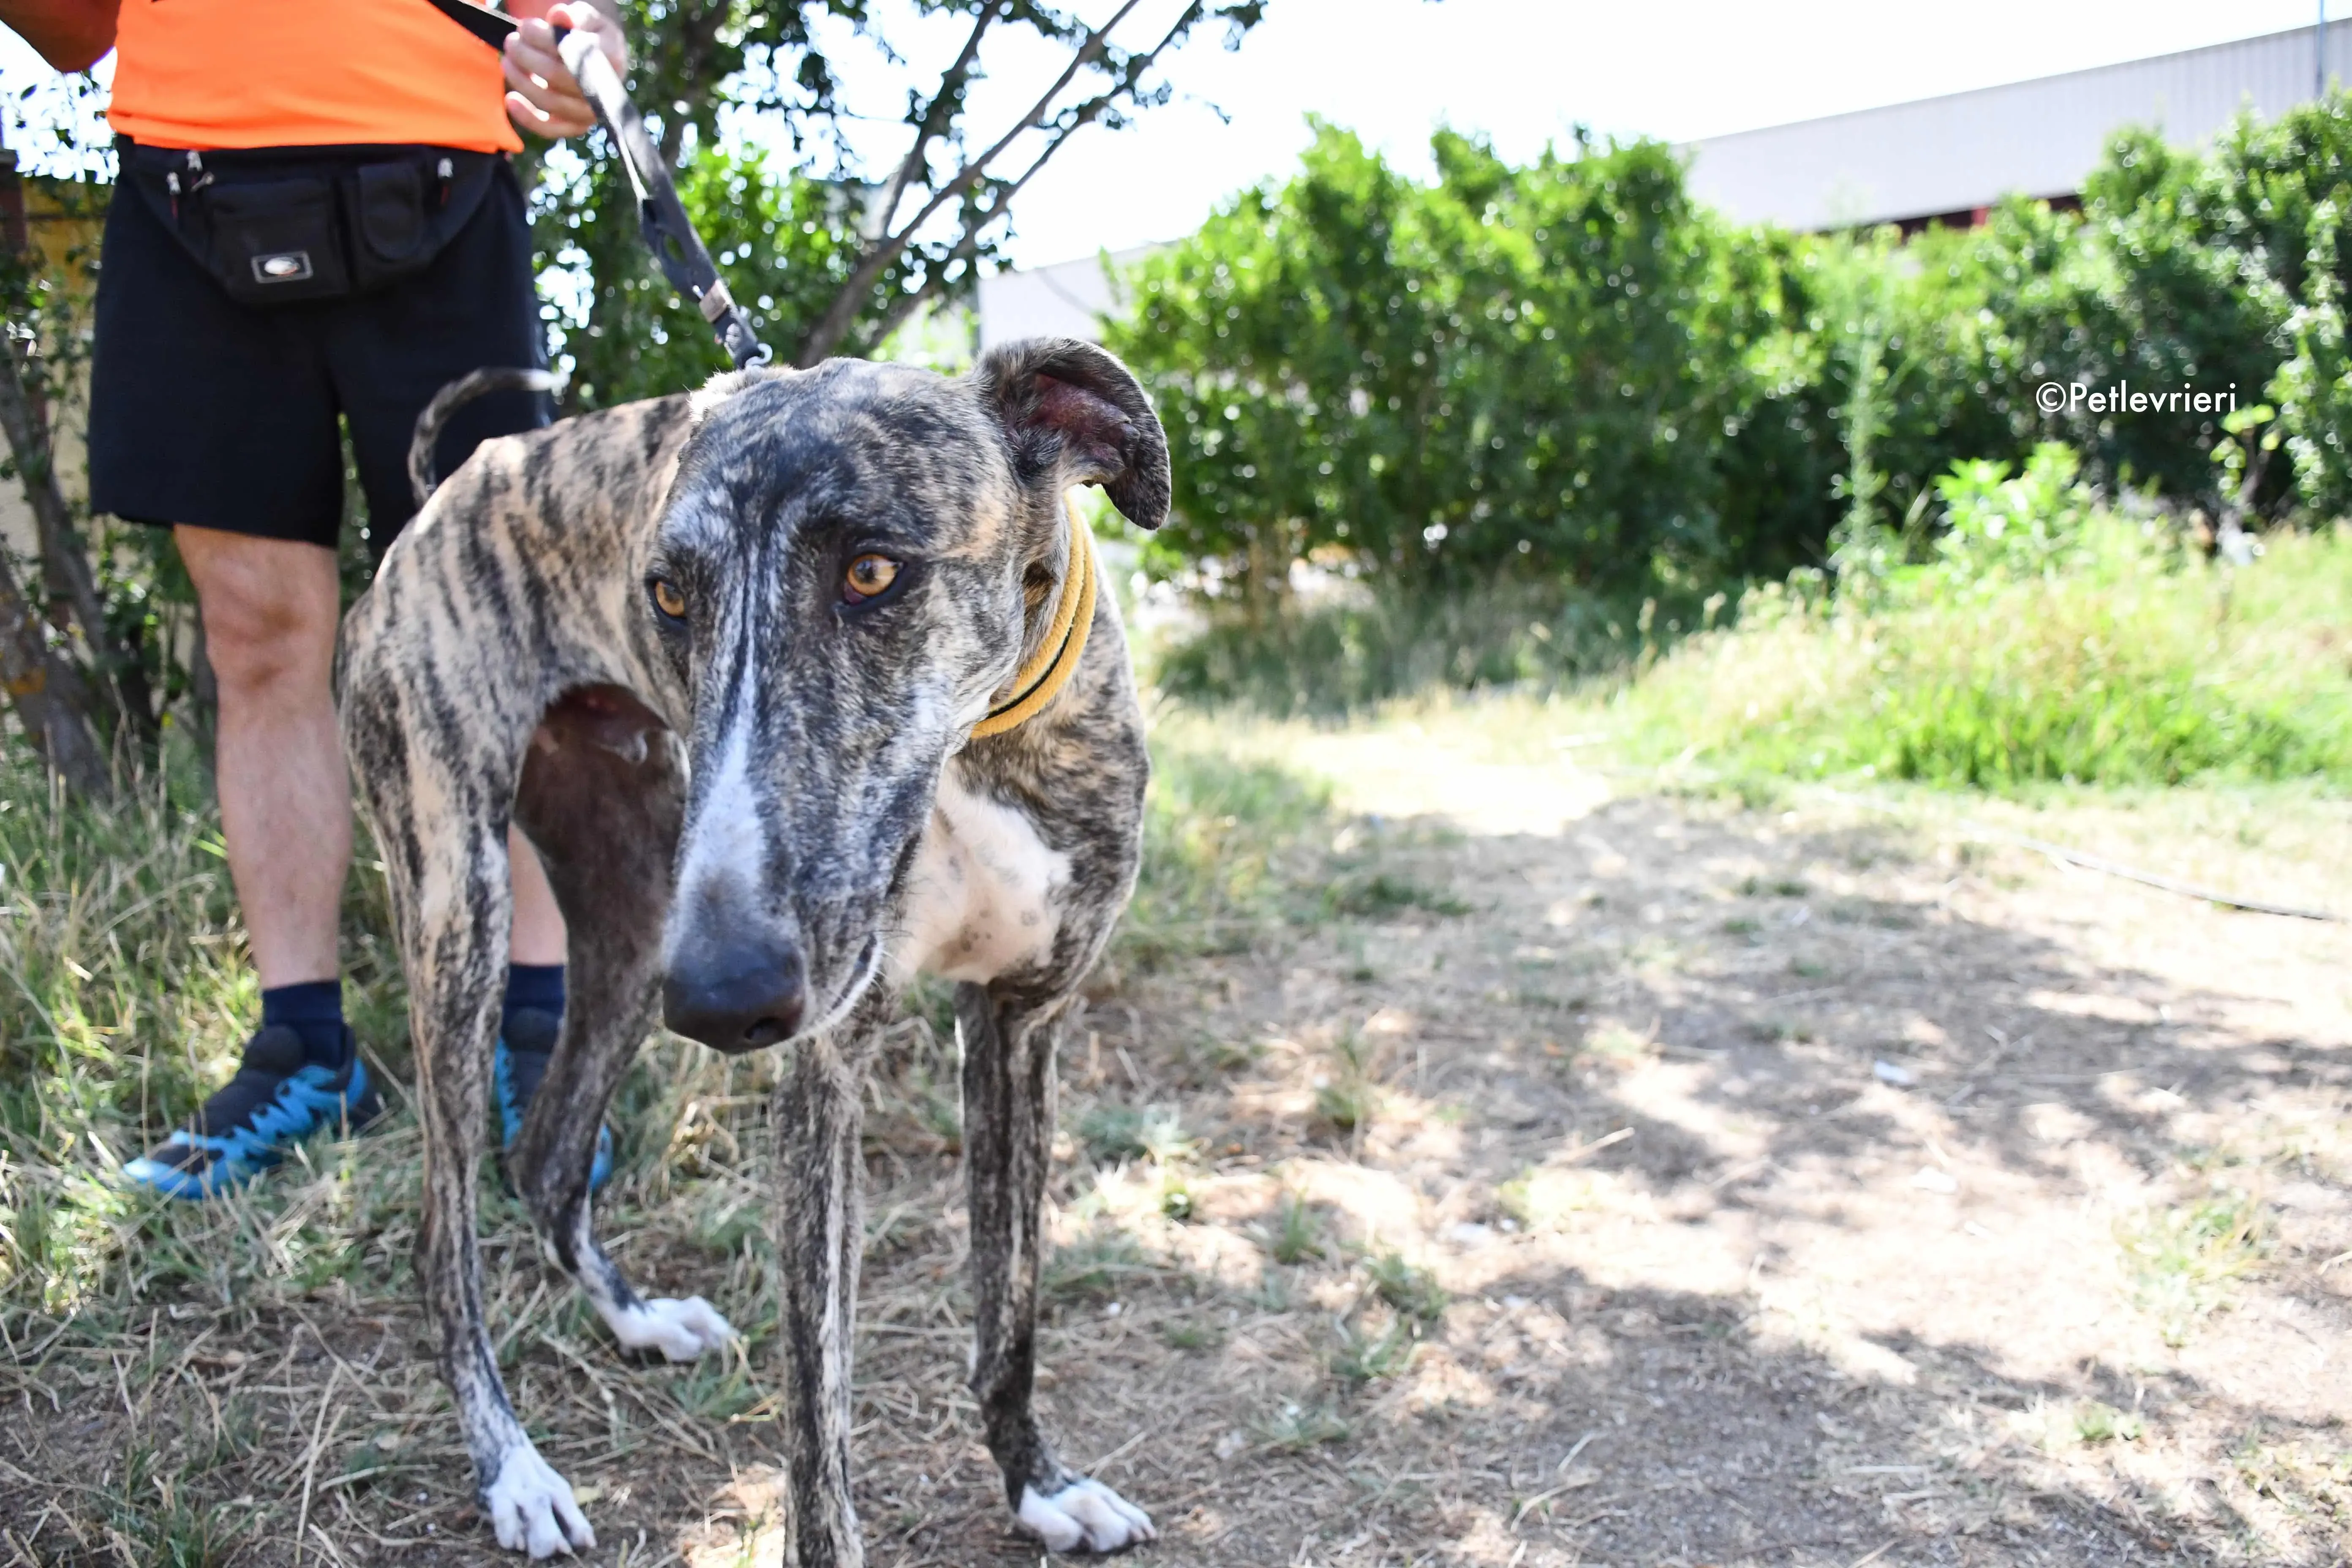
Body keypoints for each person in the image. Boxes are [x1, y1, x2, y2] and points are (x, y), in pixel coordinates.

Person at [0, 0, 626, 1197]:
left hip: (439, 185)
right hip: (186, 192)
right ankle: (304, 1051)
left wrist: (583, 64)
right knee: (256, 638)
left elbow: (574, 30)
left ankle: (539, 1032)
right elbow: (73, 32)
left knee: (505, 638)